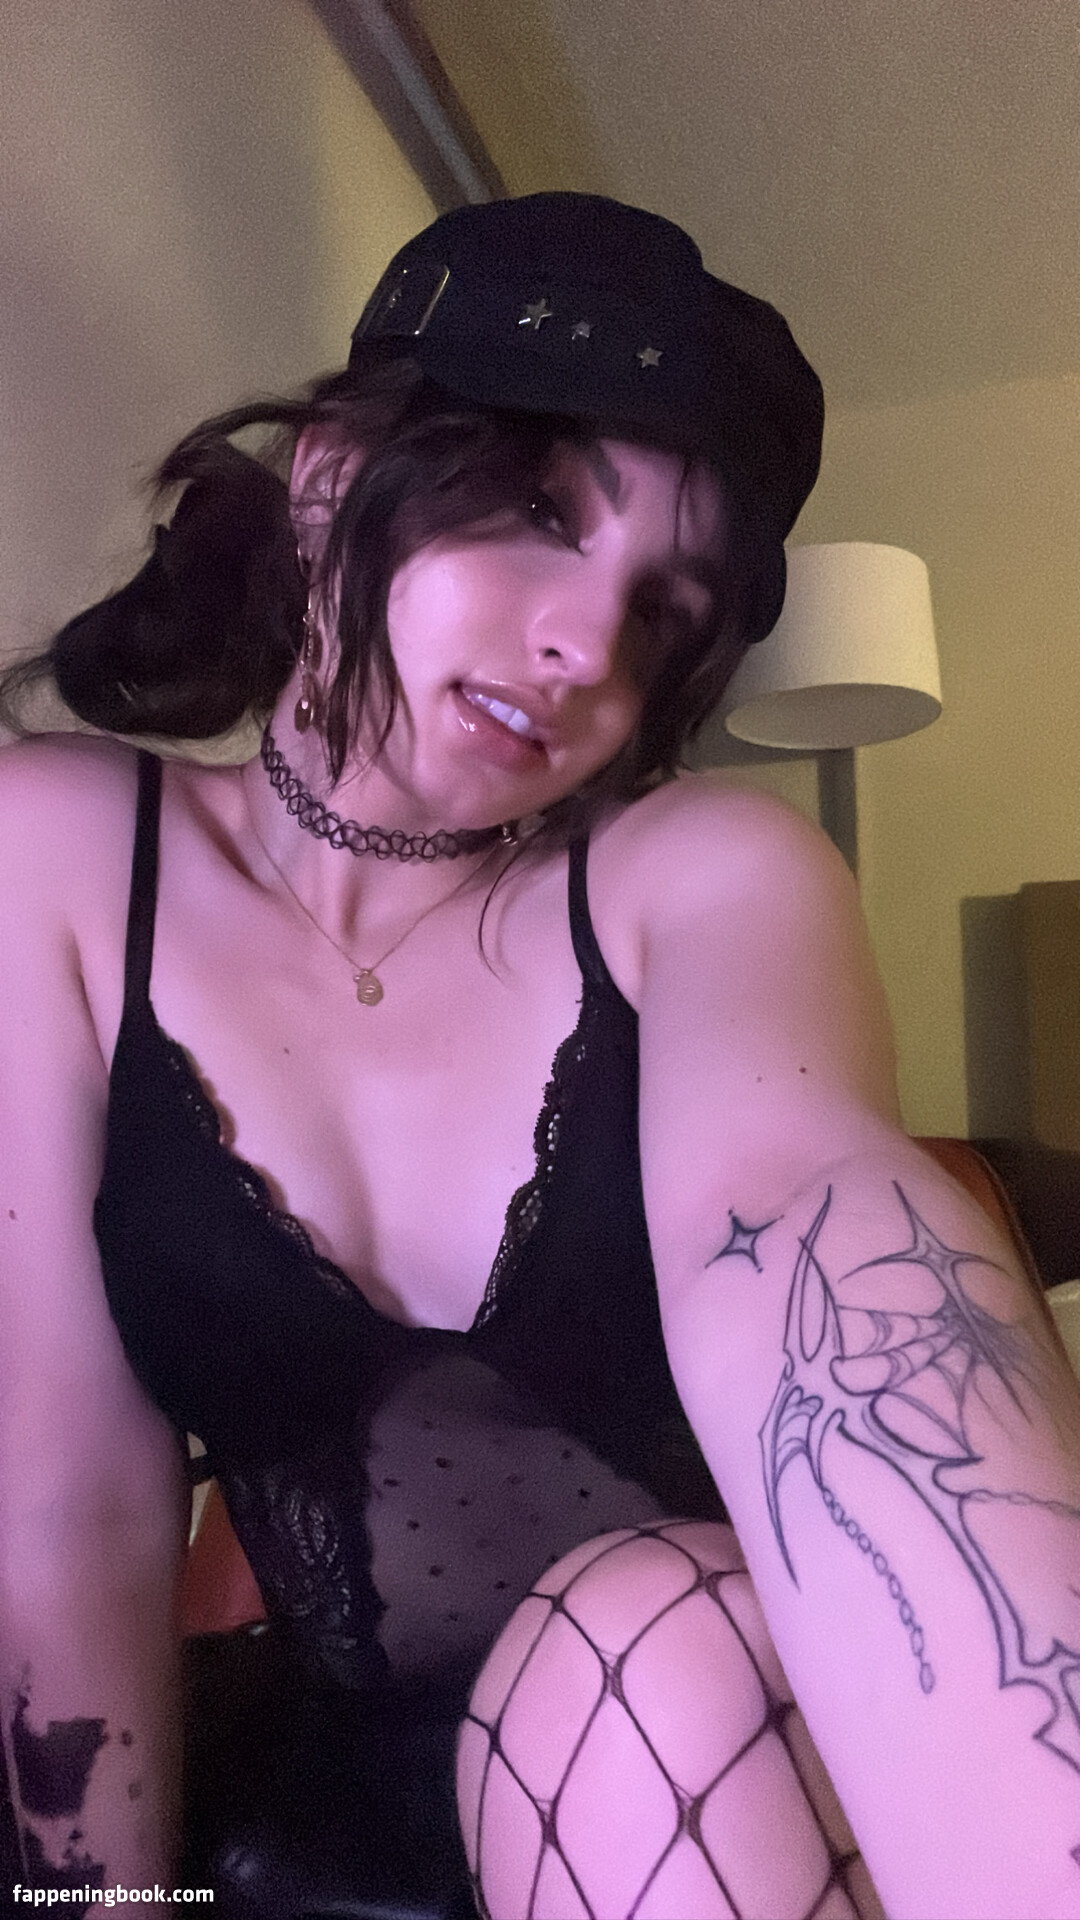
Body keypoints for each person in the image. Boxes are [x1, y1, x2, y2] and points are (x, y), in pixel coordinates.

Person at [1, 192, 1078, 1920]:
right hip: (354, 1769)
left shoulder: (699, 880)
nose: (588, 647)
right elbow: (68, 1506)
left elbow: (816, 1238)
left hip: (768, 1734)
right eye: (534, 515)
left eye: (664, 608)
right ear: (334, 476)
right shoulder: (56, 858)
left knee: (647, 1642)